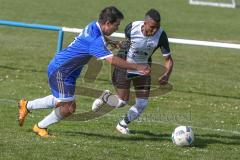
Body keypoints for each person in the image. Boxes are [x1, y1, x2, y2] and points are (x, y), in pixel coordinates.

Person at [18, 6, 151, 137]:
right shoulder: (95, 41)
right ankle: (40, 127)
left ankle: (27, 105)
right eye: (116, 25)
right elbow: (112, 60)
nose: (117, 28)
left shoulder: (93, 26)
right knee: (69, 107)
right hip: (61, 72)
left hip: (66, 70)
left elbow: (100, 38)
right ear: (107, 23)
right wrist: (138, 67)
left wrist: (113, 42)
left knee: (61, 100)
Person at [92, 9, 173, 134]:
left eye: (157, 27)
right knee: (121, 102)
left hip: (143, 68)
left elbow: (168, 59)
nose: (155, 30)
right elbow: (126, 44)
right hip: (124, 64)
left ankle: (122, 124)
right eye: (152, 27)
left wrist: (167, 74)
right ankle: (106, 97)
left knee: (142, 103)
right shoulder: (131, 28)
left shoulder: (161, 35)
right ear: (145, 23)